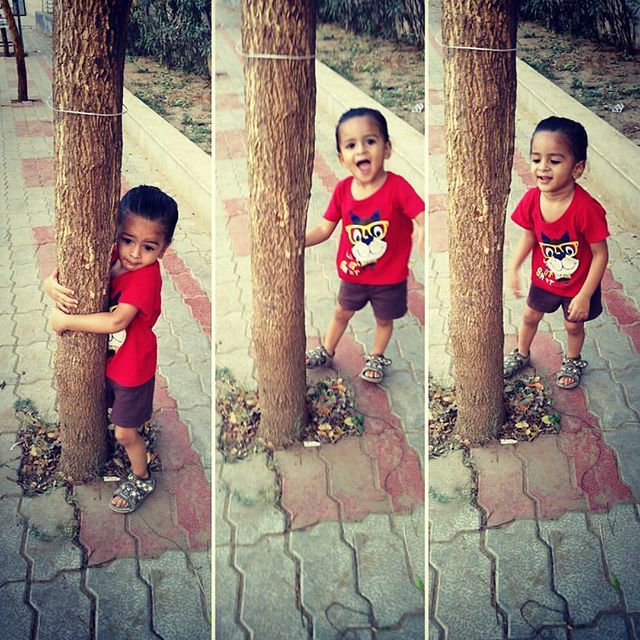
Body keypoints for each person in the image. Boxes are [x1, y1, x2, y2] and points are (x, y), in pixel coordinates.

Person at [46, 185, 178, 513]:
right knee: (107, 406)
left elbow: (117, 321)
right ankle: (131, 425)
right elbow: (64, 274)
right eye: (127, 240)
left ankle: (141, 475)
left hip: (133, 368)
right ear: (116, 232)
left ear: (164, 248)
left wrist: (66, 321)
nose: (134, 253)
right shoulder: (110, 255)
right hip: (110, 362)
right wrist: (49, 284)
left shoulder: (147, 277)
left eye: (148, 247)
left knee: (124, 432)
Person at [305, 107, 424, 383]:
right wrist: (297, 242)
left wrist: (423, 227)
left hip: (389, 279)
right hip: (354, 275)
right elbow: (324, 228)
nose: (361, 149)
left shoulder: (398, 187)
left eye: (370, 141)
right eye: (351, 145)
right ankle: (327, 349)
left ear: (387, 148)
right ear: (341, 157)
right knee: (341, 312)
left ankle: (377, 355)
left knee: (384, 320)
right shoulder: (342, 190)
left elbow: (420, 214)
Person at [503, 116, 609, 389]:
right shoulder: (531, 199)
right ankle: (521, 354)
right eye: (537, 159)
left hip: (578, 286)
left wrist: (585, 295)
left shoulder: (587, 209)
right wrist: (514, 267)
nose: (543, 168)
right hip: (544, 280)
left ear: (577, 168)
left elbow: (600, 254)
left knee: (573, 326)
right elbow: (530, 235)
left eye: (555, 160)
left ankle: (573, 359)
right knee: (529, 317)